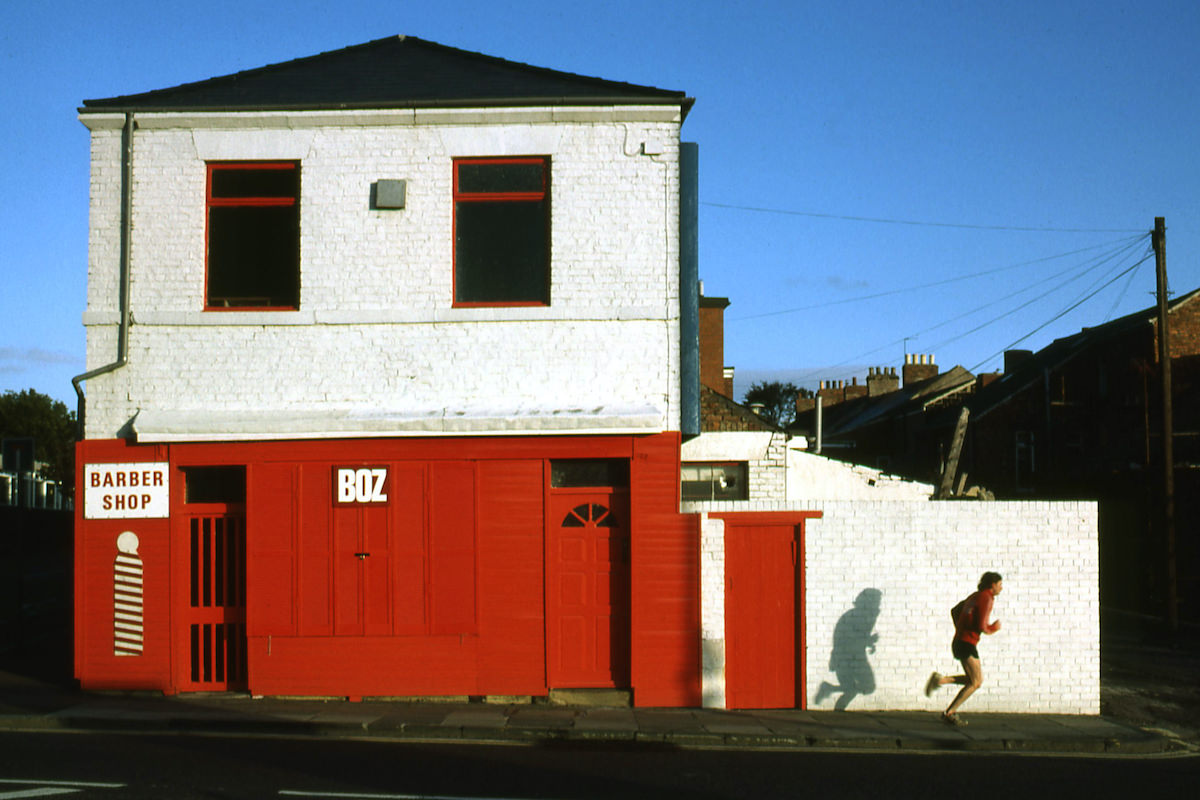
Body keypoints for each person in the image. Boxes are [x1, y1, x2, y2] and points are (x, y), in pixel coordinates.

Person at [924, 571, 1003, 725]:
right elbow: (982, 626)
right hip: (967, 643)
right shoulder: (987, 598)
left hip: (961, 641)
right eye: (1000, 584)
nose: (1001, 588)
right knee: (976, 682)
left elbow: (955, 611)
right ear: (992, 585)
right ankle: (949, 712)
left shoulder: (975, 596)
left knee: (972, 680)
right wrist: (993, 627)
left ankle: (940, 681)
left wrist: (960, 628)